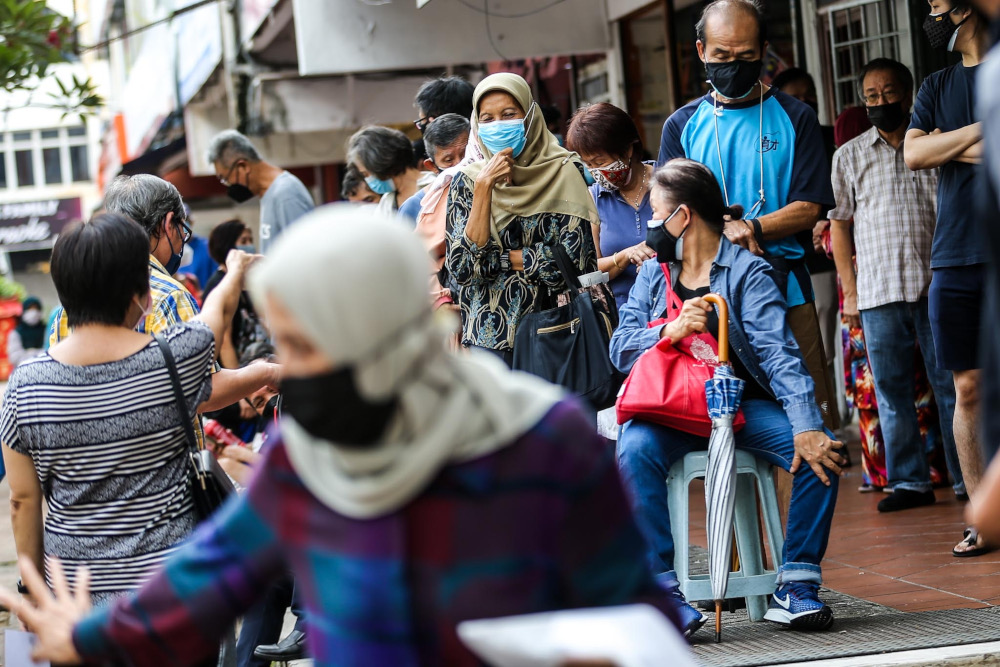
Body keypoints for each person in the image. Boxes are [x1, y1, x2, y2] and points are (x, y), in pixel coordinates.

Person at [0, 206, 682, 666]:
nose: (288, 371)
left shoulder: (546, 441)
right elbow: (204, 578)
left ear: (376, 328)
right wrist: (85, 636)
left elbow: (636, 615)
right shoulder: (305, 461)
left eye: (306, 345)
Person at [612, 159, 843, 636]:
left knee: (823, 451)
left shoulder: (747, 273)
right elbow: (620, 348)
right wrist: (667, 330)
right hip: (670, 408)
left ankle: (795, 585)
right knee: (633, 448)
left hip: (739, 407)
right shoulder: (656, 273)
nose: (652, 226)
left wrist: (805, 425)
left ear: (683, 216)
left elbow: (779, 355)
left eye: (656, 214)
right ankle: (662, 594)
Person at [0, 213, 255, 606]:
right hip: (172, 591)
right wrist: (235, 270)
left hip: (74, 597)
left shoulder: (24, 385)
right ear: (142, 291)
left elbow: (23, 500)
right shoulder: (173, 359)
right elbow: (216, 314)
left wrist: (33, 588)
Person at [658, 0, 839, 433]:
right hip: (706, 297)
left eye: (745, 56)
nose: (733, 65)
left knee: (807, 419)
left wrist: (753, 227)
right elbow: (668, 217)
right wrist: (723, 234)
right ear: (701, 51)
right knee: (723, 423)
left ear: (764, 51)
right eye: (721, 56)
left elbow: (811, 205)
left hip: (786, 285)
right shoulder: (682, 126)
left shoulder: (796, 117)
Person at [47, 175, 280, 447]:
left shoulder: (68, 308)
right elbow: (202, 389)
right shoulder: (167, 294)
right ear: (169, 223)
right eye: (183, 230)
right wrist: (269, 373)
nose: (183, 241)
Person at [830, 58, 964, 513]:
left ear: (908, 95)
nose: (880, 102)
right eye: (871, 95)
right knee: (891, 391)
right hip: (877, 292)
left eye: (888, 93)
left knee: (952, 387)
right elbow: (840, 226)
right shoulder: (847, 156)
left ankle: (966, 479)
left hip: (936, 287)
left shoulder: (933, 146)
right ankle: (909, 483)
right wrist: (849, 293)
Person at [904, 0, 990, 556]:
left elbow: (933, 149)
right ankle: (984, 517)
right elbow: (913, 155)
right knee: (967, 387)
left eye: (939, 5)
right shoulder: (935, 85)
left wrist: (948, 143)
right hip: (954, 256)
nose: (932, 15)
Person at [444, 73, 600, 366]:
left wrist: (500, 259)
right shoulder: (467, 182)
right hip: (491, 342)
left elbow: (575, 261)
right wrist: (483, 189)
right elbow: (464, 269)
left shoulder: (564, 171)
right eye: (487, 119)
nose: (498, 125)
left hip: (559, 334)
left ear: (529, 116)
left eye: (508, 114)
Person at [567, 102, 656, 310]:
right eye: (588, 164)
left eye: (600, 162)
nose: (595, 172)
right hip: (622, 317)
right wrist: (624, 257)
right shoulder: (593, 199)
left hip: (673, 309)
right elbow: (587, 277)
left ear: (628, 149)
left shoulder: (669, 183)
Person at [208, 129, 315, 254]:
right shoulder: (268, 195)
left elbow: (303, 253)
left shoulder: (285, 194)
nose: (229, 185)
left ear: (243, 167)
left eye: (226, 179)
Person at [204, 220, 268, 370]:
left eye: (250, 240)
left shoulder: (244, 282)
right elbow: (225, 343)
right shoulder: (220, 285)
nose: (249, 245)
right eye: (243, 241)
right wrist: (240, 391)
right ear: (228, 247)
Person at [347, 126, 434, 220]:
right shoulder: (387, 201)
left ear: (380, 163)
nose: (367, 180)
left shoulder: (435, 185)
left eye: (366, 174)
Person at [398, 113, 471, 221]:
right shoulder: (414, 208)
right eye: (449, 160)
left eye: (467, 154)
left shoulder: (498, 187)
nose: (461, 164)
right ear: (432, 166)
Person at [7, 297, 46, 368]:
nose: (33, 312)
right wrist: (38, 354)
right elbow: (14, 357)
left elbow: (51, 351)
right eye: (30, 309)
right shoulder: (16, 333)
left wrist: (29, 353)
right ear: (24, 311)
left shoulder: (47, 330)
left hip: (44, 368)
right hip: (21, 369)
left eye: (36, 309)